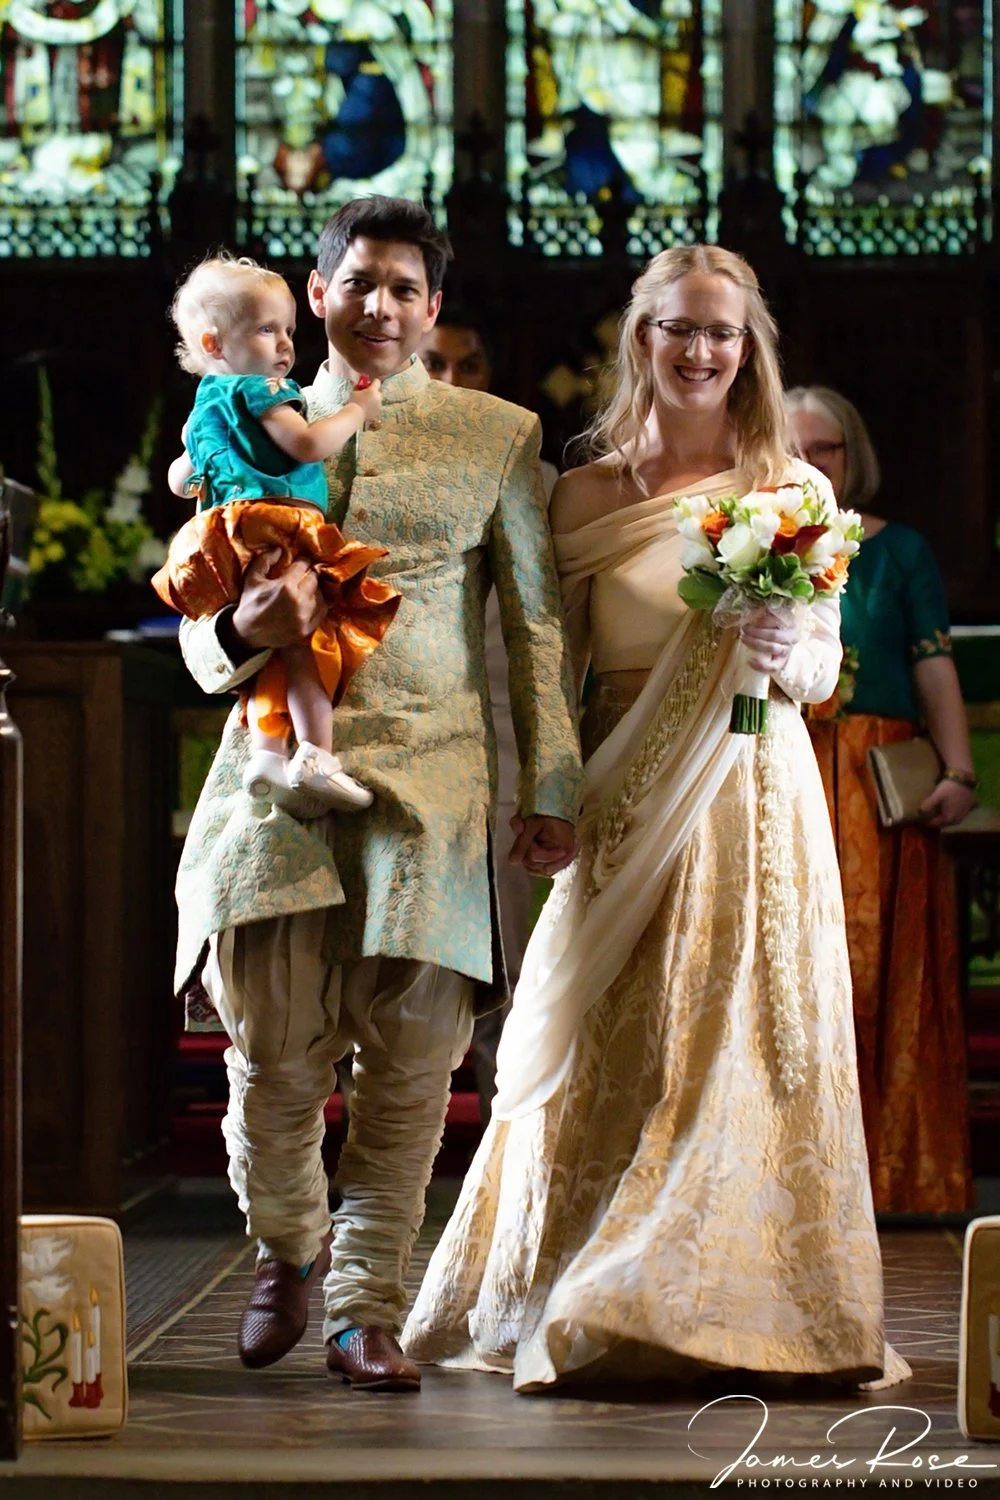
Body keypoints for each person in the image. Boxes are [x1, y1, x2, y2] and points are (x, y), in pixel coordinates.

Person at [403, 245, 910, 1393]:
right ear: (640, 339)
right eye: (675, 329)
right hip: (623, 808)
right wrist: (541, 801)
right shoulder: (581, 494)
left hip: (756, 803)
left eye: (720, 333)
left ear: (748, 349)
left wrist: (795, 651)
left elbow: (825, 668)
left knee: (744, 1039)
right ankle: (588, 1284)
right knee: (617, 1047)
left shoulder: (794, 488)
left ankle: (748, 1299)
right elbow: (543, 673)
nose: (697, 351)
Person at [172, 196, 582, 1393]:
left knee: (411, 1072)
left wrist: (548, 780)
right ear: (317, 296)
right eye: (360, 283)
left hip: (435, 786)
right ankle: (287, 1249)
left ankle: (366, 1306)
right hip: (275, 773)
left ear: (434, 307)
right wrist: (239, 634)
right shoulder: (243, 421)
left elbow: (538, 625)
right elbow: (199, 606)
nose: (383, 306)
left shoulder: (498, 435)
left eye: (406, 288)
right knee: (271, 1058)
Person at [786, 385, 976, 1215]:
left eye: (823, 448)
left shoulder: (899, 553)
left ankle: (894, 1174)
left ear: (850, 455)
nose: (808, 464)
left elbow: (934, 663)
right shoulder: (748, 541)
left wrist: (960, 771)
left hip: (873, 779)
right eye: (792, 448)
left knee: (875, 970)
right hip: (783, 765)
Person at [155, 255, 396, 817]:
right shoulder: (263, 388)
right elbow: (309, 446)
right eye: (268, 329)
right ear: (214, 344)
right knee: (310, 633)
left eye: (288, 330)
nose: (285, 344)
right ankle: (316, 752)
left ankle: (266, 753)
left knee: (278, 650)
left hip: (223, 529)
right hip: (278, 517)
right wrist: (359, 409)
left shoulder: (203, 404)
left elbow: (181, 475)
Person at [418, 302, 559, 1123]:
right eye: (435, 363)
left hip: (504, 740)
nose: (450, 381)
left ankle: (502, 1151)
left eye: (467, 366)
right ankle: (392, 1166)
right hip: (401, 744)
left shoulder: (535, 482)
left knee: (505, 955)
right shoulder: (362, 460)